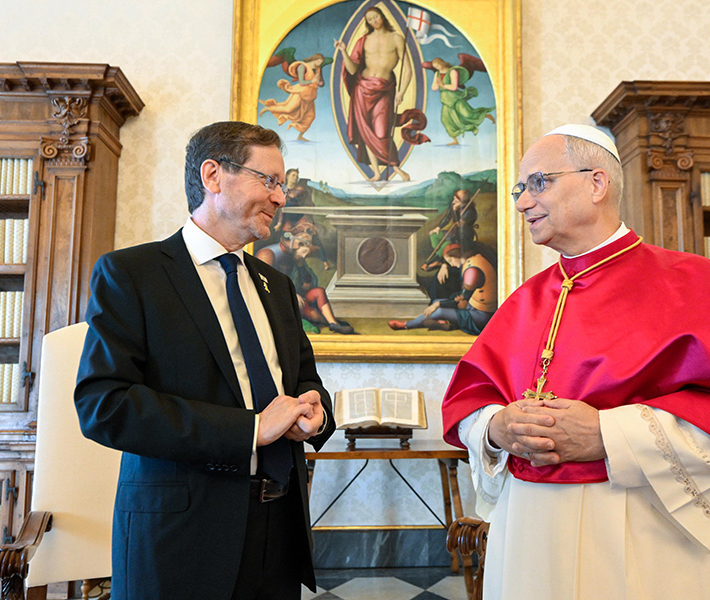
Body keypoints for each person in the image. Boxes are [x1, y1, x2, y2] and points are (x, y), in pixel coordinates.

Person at [440, 124, 710, 600]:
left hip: (648, 538)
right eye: (519, 189)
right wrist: (497, 427)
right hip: (531, 535)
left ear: (597, 183)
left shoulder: (692, 282)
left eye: (539, 183)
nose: (523, 201)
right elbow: (468, 402)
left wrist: (608, 435)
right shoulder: (524, 301)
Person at [75, 121, 336, 600]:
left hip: (278, 537)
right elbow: (104, 405)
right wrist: (250, 430)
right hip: (180, 543)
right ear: (213, 175)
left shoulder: (276, 286)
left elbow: (305, 383)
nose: (281, 198)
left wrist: (315, 414)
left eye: (283, 184)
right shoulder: (132, 274)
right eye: (270, 181)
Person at [334, 6, 411, 181]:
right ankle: (377, 172)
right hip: (362, 88)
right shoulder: (363, 40)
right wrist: (344, 51)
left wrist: (402, 91)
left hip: (384, 89)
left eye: (376, 17)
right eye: (370, 19)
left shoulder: (397, 38)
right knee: (365, 132)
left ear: (382, 16)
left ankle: (396, 167)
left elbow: (407, 70)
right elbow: (352, 70)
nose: (374, 21)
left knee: (382, 131)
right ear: (367, 23)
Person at [392, 242, 496, 334]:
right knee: (437, 302)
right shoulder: (473, 260)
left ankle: (406, 325)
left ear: (457, 255)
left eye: (450, 260)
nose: (451, 264)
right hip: (472, 306)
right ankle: (447, 323)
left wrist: (438, 305)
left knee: (439, 310)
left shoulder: (472, 271)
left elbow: (462, 299)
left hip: (481, 317)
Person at [258, 52, 331, 142]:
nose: (319, 63)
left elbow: (321, 83)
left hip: (310, 96)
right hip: (300, 92)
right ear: (314, 59)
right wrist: (312, 80)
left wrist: (318, 80)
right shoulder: (302, 67)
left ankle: (300, 135)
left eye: (321, 62)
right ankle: (268, 108)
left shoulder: (317, 69)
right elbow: (302, 82)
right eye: (318, 61)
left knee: (310, 116)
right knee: (289, 109)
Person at [426, 56, 495, 145]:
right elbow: (434, 87)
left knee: (468, 114)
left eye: (437, 66)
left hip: (456, 98)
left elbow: (454, 87)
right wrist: (437, 83)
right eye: (435, 67)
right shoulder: (437, 74)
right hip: (446, 100)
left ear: (441, 63)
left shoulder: (452, 72)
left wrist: (442, 85)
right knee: (445, 120)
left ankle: (486, 115)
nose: (437, 68)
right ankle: (455, 140)